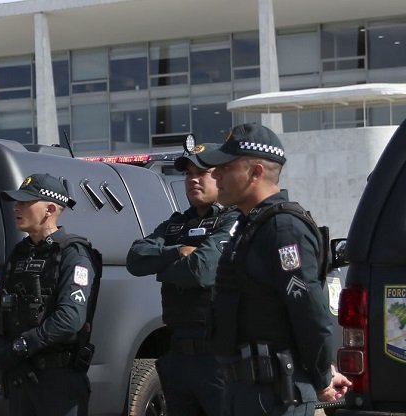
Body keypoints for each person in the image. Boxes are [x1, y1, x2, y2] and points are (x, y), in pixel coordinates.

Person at [196, 123, 352, 415]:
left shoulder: (283, 229)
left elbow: (309, 312)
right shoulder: (251, 226)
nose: (216, 175)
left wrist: (322, 376)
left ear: (255, 172)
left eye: (226, 168)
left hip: (276, 396)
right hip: (245, 392)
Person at [126, 139, 239, 416]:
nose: (192, 180)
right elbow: (135, 259)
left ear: (221, 175)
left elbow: (203, 270)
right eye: (188, 174)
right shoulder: (176, 224)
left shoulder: (233, 219)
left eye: (201, 172)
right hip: (178, 355)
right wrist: (177, 251)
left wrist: (162, 268)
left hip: (219, 357)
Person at [0, 173, 102, 416]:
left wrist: (22, 346)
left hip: (59, 381)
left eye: (25, 202)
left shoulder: (73, 254)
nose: (16, 207)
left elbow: (70, 318)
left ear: (50, 209)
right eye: (17, 202)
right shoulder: (20, 254)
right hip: (21, 377)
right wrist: (3, 351)